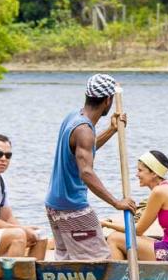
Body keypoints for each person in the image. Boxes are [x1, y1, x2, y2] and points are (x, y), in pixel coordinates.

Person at [44, 73, 137, 261]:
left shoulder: (74, 117)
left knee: (67, 262)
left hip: (54, 205)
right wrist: (116, 202)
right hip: (73, 209)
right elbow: (86, 172)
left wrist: (111, 130)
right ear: (108, 101)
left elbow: (85, 149)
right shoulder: (84, 129)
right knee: (100, 261)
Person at [102, 150, 168, 262]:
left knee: (114, 238)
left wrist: (107, 224)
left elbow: (138, 230)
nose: (137, 174)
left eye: (140, 170)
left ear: (154, 173)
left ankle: (118, 277)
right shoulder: (167, 187)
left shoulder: (159, 192)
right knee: (127, 237)